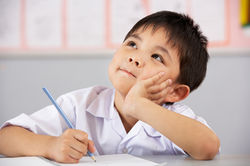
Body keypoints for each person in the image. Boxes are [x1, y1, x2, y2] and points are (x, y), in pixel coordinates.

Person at [0, 11, 220, 163]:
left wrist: (139, 105)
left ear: (175, 91)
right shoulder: (80, 104)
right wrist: (50, 146)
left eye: (156, 57)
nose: (135, 57)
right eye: (132, 44)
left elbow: (208, 147)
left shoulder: (175, 119)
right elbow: (6, 138)